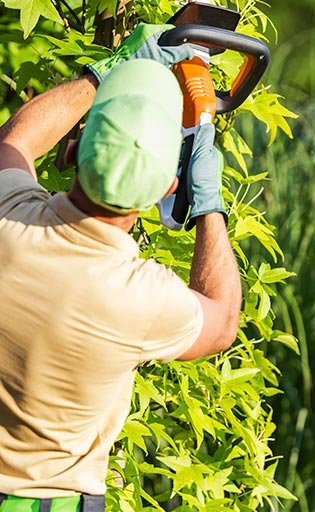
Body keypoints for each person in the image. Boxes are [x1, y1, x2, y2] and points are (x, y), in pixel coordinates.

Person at [0, 24, 241, 512]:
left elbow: (16, 141)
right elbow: (222, 322)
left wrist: (103, 72)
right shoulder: (141, 299)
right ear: (164, 191)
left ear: (71, 153)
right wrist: (209, 203)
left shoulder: (8, 221)